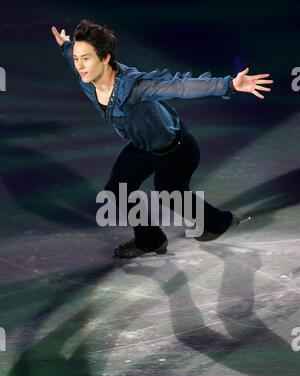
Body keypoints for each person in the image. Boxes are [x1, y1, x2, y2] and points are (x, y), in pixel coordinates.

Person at [51, 19, 273, 258]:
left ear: (105, 58)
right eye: (77, 59)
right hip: (143, 147)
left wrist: (229, 84)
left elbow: (181, 86)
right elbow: (72, 56)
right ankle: (151, 240)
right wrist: (66, 45)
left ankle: (221, 221)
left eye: (86, 58)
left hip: (176, 150)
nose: (80, 66)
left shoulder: (136, 88)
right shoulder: (87, 78)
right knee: (117, 190)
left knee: (169, 194)